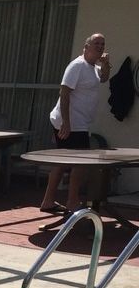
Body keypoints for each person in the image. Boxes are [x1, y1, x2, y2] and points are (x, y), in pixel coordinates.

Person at [40, 33, 111, 215]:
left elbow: (103, 79)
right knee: (80, 163)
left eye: (102, 44)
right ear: (86, 46)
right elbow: (64, 93)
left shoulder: (93, 67)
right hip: (70, 122)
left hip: (79, 123)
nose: (100, 46)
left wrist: (106, 65)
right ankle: (72, 202)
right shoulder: (77, 65)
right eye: (96, 43)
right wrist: (66, 123)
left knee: (62, 162)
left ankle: (48, 201)